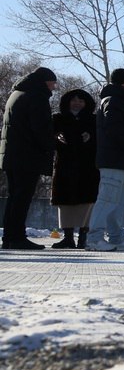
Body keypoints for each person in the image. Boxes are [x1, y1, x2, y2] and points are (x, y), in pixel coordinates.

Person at [85, 69, 124, 251]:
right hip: (113, 158)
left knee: (118, 202)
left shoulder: (120, 101)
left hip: (120, 159)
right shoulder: (113, 101)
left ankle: (116, 238)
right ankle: (94, 238)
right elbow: (114, 129)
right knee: (108, 199)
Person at [1, 67, 56, 250]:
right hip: (26, 155)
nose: (53, 88)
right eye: (52, 83)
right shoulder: (36, 96)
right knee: (22, 196)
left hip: (12, 154)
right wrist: (51, 144)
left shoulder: (16, 94)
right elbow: (39, 127)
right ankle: (17, 236)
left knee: (14, 196)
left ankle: (10, 236)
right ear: (45, 81)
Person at [50, 89, 99, 248]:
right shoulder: (58, 119)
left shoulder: (93, 120)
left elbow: (101, 139)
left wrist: (91, 137)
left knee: (87, 203)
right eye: (74, 100)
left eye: (81, 101)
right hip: (65, 166)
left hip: (88, 168)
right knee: (65, 203)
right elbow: (49, 136)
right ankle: (68, 237)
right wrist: (57, 136)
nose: (77, 103)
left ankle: (83, 236)